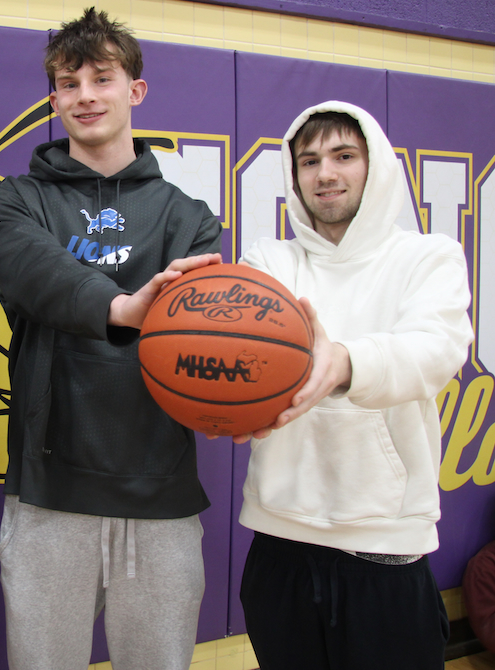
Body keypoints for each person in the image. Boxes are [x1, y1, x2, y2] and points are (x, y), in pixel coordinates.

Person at [0, 8, 223, 670]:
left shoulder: (191, 221)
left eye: (102, 77)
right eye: (68, 82)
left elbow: (205, 334)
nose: (85, 95)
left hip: (160, 495)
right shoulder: (16, 201)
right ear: (54, 99)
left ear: (134, 90)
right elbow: (36, 274)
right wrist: (124, 306)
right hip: (50, 490)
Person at [236, 100, 474, 669]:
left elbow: (434, 351)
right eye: (309, 160)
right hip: (280, 543)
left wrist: (342, 361)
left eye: (344, 156)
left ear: (377, 166)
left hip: (384, 546)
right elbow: (239, 358)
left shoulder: (427, 257)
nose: (325, 173)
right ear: (294, 177)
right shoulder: (269, 259)